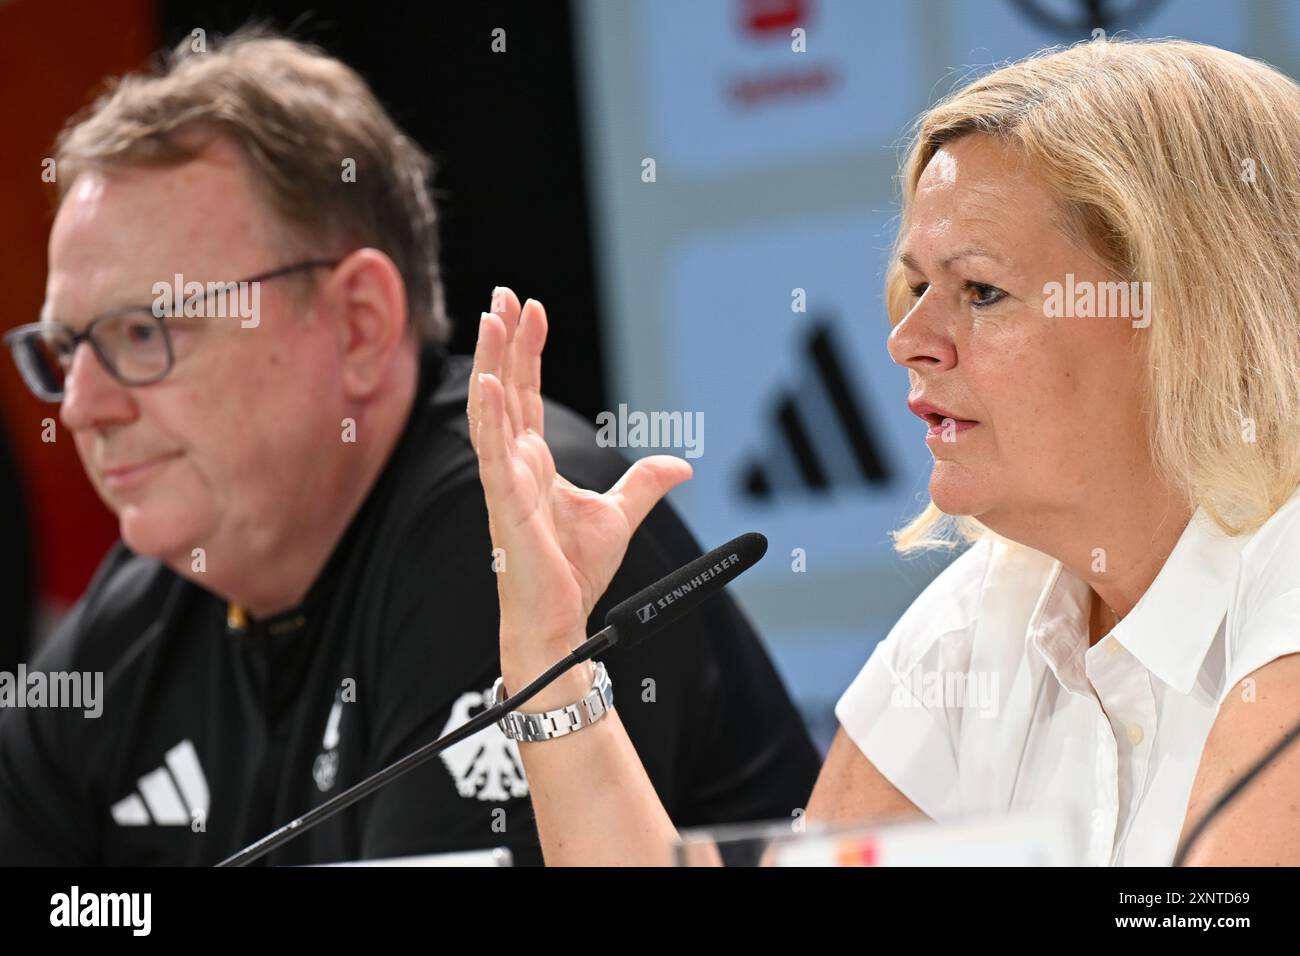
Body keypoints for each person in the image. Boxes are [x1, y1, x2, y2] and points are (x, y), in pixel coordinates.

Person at [468, 37, 1300, 866]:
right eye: (916, 289)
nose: (907, 341)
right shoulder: (981, 620)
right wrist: (551, 653)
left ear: (1185, 315)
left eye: (981, 291)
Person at [0, 27, 820, 865]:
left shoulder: (519, 534)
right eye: (64, 350)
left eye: (142, 332)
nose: (83, 406)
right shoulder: (137, 621)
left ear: (358, 324)